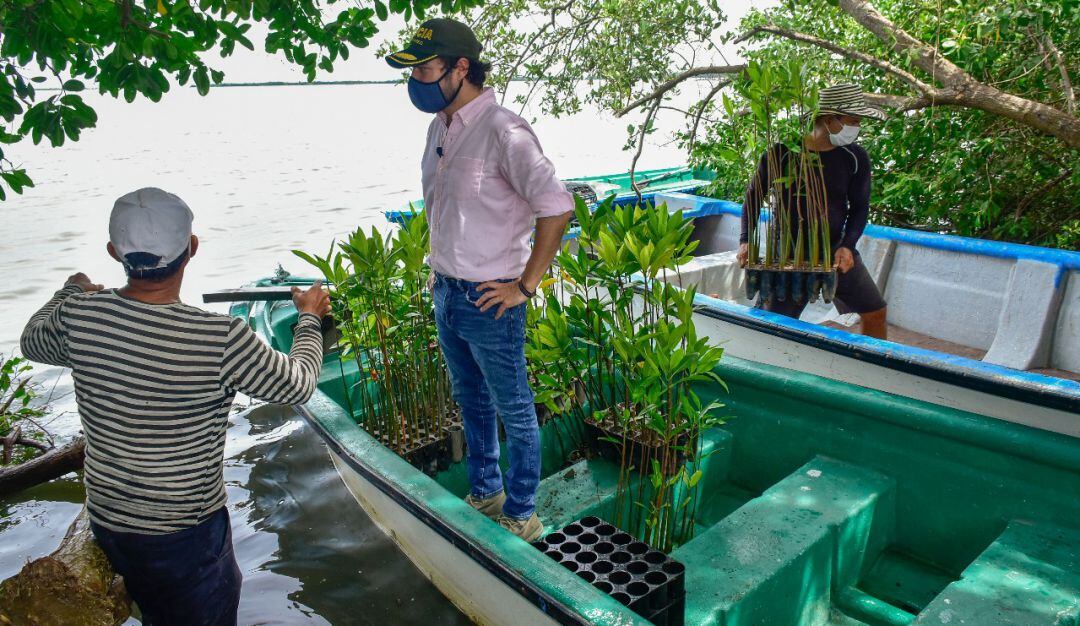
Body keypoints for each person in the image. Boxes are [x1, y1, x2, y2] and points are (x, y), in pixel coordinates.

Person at [20, 187, 330, 625]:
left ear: (114, 253)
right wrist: (310, 318)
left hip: (108, 518)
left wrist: (69, 292)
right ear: (192, 249)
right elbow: (297, 384)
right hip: (184, 535)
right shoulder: (219, 337)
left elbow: (32, 340)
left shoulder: (80, 317)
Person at [386, 18, 574, 542]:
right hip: (446, 290)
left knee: (514, 407)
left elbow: (557, 208)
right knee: (470, 399)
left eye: (424, 67)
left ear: (459, 67)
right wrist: (439, 270)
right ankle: (487, 490)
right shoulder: (439, 127)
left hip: (492, 297)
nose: (416, 80)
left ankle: (522, 512)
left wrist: (526, 285)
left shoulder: (504, 131)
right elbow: (443, 209)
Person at [737, 83, 889, 339]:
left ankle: (869, 371)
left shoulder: (855, 157)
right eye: (853, 120)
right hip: (787, 257)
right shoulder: (782, 153)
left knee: (876, 312)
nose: (857, 128)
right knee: (774, 328)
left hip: (835, 251)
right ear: (830, 119)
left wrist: (848, 245)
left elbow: (860, 207)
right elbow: (753, 198)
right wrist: (744, 242)